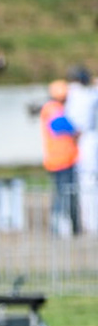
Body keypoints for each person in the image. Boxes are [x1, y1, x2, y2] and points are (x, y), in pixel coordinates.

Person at [40, 79, 81, 236]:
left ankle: (65, 229)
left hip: (63, 160)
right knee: (64, 196)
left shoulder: (54, 108)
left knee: (64, 195)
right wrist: (75, 131)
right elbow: (62, 126)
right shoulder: (53, 108)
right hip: (60, 161)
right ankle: (62, 229)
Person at [66, 66, 98, 236]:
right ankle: (92, 224)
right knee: (89, 182)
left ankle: (90, 223)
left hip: (80, 140)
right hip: (86, 140)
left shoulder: (72, 94)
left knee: (85, 182)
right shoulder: (85, 94)